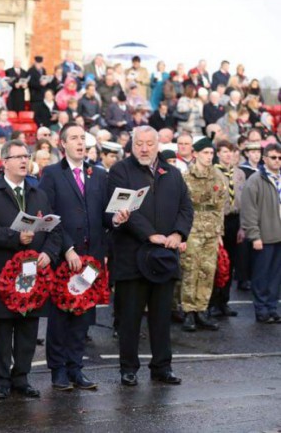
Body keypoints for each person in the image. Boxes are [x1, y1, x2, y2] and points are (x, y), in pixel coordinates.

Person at [39, 125, 130, 390]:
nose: (80, 143)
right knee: (60, 316)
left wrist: (116, 219)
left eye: (83, 138)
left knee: (82, 315)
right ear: (62, 144)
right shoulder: (52, 174)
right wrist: (67, 249)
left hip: (91, 258)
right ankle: (58, 370)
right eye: (75, 138)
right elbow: (49, 215)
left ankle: (76, 368)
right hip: (64, 256)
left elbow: (103, 215)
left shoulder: (98, 174)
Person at [0, 139, 62, 399]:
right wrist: (14, 238)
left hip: (33, 273)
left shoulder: (38, 193)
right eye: (18, 157)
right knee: (2, 328)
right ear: (4, 162)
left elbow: (54, 229)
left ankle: (21, 377)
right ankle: (1, 380)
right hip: (1, 272)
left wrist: (49, 252)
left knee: (28, 327)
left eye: (27, 155)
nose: (24, 160)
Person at [108, 126, 194, 386]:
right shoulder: (120, 170)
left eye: (149, 144)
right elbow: (123, 208)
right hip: (131, 257)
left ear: (158, 144)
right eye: (139, 144)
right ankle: (128, 368)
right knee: (130, 317)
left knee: (161, 317)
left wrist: (179, 234)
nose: (144, 149)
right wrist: (150, 235)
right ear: (131, 145)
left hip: (164, 258)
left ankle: (162, 367)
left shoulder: (173, 173)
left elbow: (186, 207)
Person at [179, 138, 226, 332]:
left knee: (207, 270)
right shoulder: (186, 176)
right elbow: (179, 206)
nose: (209, 157)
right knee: (190, 269)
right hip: (192, 228)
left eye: (211, 153)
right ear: (195, 154)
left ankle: (201, 309)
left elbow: (221, 204)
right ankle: (188, 311)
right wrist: (180, 233)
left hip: (211, 230)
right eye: (205, 153)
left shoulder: (218, 176)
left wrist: (220, 231)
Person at [240, 143, 281, 323]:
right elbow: (249, 211)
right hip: (263, 236)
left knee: (275, 276)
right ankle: (261, 309)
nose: (277, 161)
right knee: (261, 275)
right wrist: (254, 235)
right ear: (264, 159)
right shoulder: (255, 180)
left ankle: (272, 308)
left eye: (280, 158)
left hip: (279, 236)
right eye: (273, 157)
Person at [209, 141, 246, 318]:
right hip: (219, 219)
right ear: (218, 153)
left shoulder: (239, 174)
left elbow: (244, 201)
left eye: (231, 151)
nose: (228, 155)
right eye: (224, 152)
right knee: (217, 263)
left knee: (230, 264)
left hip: (235, 219)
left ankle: (224, 301)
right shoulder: (212, 172)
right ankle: (213, 303)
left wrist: (242, 227)